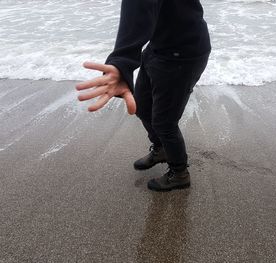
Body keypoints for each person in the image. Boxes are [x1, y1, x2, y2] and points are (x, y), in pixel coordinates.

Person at [75, 0, 211, 191]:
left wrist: (123, 60)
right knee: (142, 107)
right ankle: (161, 148)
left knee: (164, 122)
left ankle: (180, 173)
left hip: (184, 53)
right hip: (158, 45)